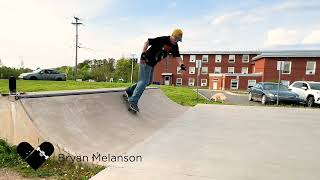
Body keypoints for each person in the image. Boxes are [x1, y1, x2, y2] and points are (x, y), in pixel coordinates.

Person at [125, 29, 186, 111]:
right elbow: (147, 42)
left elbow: (178, 57)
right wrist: (143, 55)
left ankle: (130, 90)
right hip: (145, 60)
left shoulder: (174, 46)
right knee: (143, 81)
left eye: (178, 40)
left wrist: (182, 65)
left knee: (148, 82)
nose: (176, 41)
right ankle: (133, 101)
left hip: (152, 64)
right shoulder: (163, 39)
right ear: (172, 35)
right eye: (175, 39)